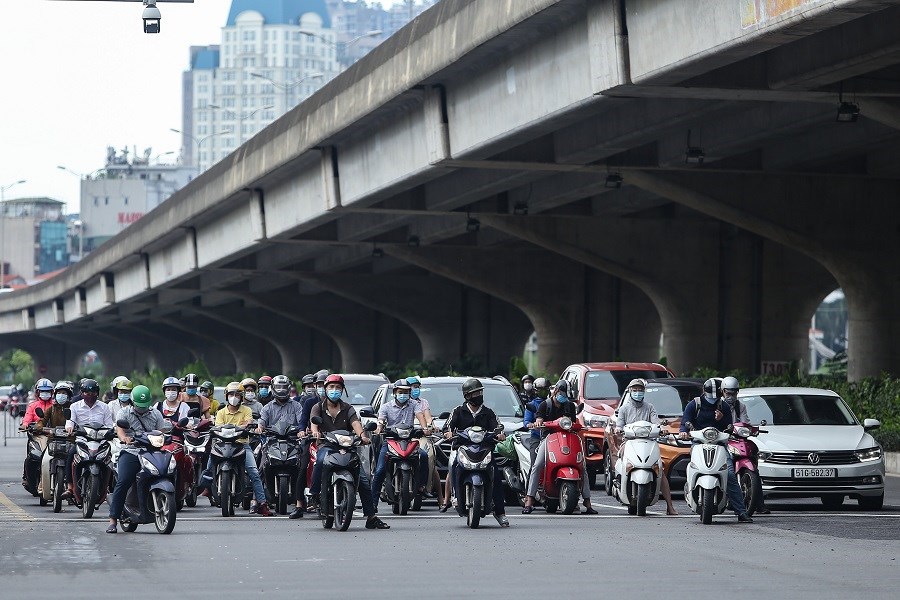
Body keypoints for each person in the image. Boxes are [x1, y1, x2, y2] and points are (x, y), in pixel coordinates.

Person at [309, 374, 389, 529]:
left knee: (364, 480)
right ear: (325, 389)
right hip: (327, 446)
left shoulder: (348, 408)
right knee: (319, 461)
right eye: (331, 387)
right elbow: (314, 423)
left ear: (343, 390)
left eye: (338, 387)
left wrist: (363, 436)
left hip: (347, 447)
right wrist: (315, 433)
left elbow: (356, 423)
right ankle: (314, 494)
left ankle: (371, 517)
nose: (334, 390)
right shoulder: (318, 407)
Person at [678, 378, 753, 523]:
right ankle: (690, 489)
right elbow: (685, 422)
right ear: (703, 392)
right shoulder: (694, 404)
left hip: (719, 444)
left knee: (730, 474)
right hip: (698, 443)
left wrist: (722, 419)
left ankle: (741, 511)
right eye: (709, 395)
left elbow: (729, 427)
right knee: (694, 467)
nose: (712, 399)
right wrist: (683, 431)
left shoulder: (723, 406)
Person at [522, 380, 597, 515]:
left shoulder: (569, 406)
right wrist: (539, 422)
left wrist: (578, 425)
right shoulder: (545, 405)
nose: (562, 396)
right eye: (561, 393)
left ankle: (587, 501)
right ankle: (529, 499)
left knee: (582, 466)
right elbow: (539, 418)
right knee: (538, 464)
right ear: (556, 391)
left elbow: (573, 423)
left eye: (565, 394)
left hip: (567, 438)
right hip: (549, 439)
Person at [444, 377, 510, 527]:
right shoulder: (458, 411)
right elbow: (448, 426)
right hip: (463, 448)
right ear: (467, 396)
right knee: (454, 467)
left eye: (480, 392)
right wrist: (448, 434)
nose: (479, 395)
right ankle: (455, 495)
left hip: (485, 449)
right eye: (475, 393)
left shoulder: (488, 412)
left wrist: (499, 434)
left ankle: (500, 513)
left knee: (495, 475)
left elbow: (498, 426)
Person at [198, 381, 272, 516]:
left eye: (237, 394)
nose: (234, 397)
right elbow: (218, 427)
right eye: (231, 394)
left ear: (241, 396)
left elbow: (248, 423)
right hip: (221, 445)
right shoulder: (220, 412)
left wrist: (247, 426)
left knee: (254, 472)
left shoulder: (247, 410)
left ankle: (262, 503)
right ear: (226, 396)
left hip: (242, 445)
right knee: (208, 467)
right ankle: (208, 486)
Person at [608, 378, 678, 515]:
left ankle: (670, 506)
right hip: (629, 442)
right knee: (622, 462)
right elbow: (619, 426)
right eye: (635, 390)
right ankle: (619, 484)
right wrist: (618, 429)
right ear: (630, 391)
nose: (638, 393)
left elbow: (656, 423)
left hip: (649, 442)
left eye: (640, 390)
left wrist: (660, 429)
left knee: (660, 470)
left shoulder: (650, 407)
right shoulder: (624, 409)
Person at [107, 385, 168, 533]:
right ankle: (113, 520)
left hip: (151, 452)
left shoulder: (156, 414)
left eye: (145, 406)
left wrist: (163, 438)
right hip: (131, 451)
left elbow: (161, 431)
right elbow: (119, 429)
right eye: (139, 406)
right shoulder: (124, 412)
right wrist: (124, 439)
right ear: (133, 402)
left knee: (166, 471)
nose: (142, 409)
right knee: (124, 480)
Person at [371, 379, 431, 509]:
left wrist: (425, 428)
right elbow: (381, 420)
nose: (403, 394)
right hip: (390, 442)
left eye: (406, 392)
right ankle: (373, 502)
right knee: (380, 469)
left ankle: (421, 486)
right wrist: (379, 428)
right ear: (395, 393)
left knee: (424, 456)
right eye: (400, 392)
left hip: (409, 442)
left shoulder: (414, 404)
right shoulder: (386, 406)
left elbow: (420, 416)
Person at [257, 375, 306, 518]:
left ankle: (304, 499)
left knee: (303, 465)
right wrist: (260, 427)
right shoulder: (267, 407)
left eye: (284, 387)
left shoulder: (296, 405)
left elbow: (301, 421)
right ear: (273, 389)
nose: (281, 390)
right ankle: (258, 500)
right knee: (260, 466)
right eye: (278, 387)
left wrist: (302, 430)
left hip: (292, 441)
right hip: (272, 441)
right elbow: (262, 421)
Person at [720, 376, 769, 515]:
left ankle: (759, 503)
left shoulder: (740, 406)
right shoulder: (718, 405)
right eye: (728, 393)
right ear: (722, 391)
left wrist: (751, 429)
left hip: (737, 438)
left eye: (733, 393)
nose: (731, 396)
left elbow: (745, 421)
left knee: (754, 462)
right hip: (723, 440)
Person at [64, 379, 114, 497]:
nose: (90, 396)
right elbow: (70, 421)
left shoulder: (104, 407)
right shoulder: (75, 406)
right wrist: (70, 428)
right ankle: (70, 487)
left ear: (97, 393)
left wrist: (111, 432)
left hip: (100, 441)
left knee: (111, 459)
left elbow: (109, 425)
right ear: (82, 393)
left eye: (93, 393)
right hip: (82, 440)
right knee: (71, 454)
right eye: (87, 393)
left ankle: (109, 487)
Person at [406, 375, 441, 498]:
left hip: (423, 435)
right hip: (406, 437)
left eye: (417, 387)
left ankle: (425, 486)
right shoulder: (403, 403)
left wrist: (431, 426)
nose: (415, 389)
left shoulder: (423, 402)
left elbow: (428, 417)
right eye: (413, 387)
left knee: (429, 456)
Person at [20, 378, 56, 494]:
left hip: (54, 436)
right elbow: (27, 419)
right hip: (37, 436)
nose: (45, 394)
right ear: (37, 392)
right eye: (42, 391)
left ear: (52, 392)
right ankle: (28, 479)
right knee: (32, 458)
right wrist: (25, 425)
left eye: (47, 391)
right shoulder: (33, 406)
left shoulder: (56, 406)